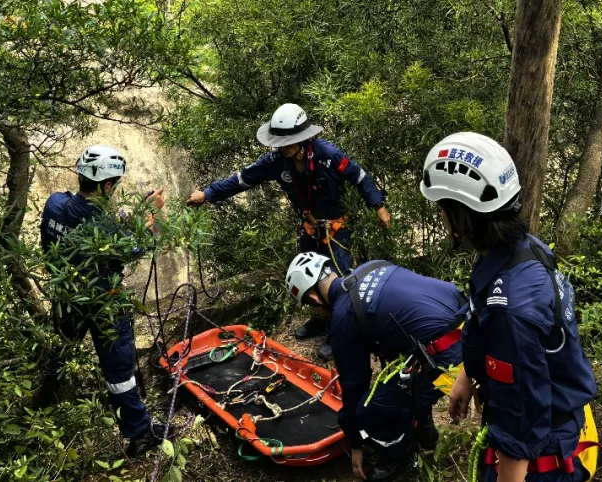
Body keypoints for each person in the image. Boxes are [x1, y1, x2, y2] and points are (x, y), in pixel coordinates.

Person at [419, 132, 602, 482]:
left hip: (539, 458)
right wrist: (468, 375)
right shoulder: (522, 250)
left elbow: (520, 415)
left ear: (459, 217)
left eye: (442, 210)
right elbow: (487, 327)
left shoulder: (511, 309)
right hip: (551, 428)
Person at [188, 103, 389, 353]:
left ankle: (341, 332)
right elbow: (243, 179)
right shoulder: (277, 161)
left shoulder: (328, 155)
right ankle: (322, 319)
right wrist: (208, 194)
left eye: (287, 143)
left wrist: (378, 205)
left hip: (338, 230)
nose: (282, 147)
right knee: (311, 277)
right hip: (310, 228)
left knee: (339, 280)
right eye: (279, 143)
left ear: (303, 139)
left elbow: (359, 176)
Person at [285, 252, 465, 482]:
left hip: (451, 354)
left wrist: (355, 443)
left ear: (314, 298)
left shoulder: (343, 318)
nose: (317, 313)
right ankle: (422, 424)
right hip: (469, 323)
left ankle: (397, 457)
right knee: (402, 381)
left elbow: (354, 387)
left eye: (312, 307)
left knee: (370, 411)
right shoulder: (371, 267)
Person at [38, 144, 164, 457]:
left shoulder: (54, 203)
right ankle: (140, 433)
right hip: (104, 305)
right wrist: (151, 215)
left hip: (67, 297)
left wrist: (128, 217)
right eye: (114, 185)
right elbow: (135, 246)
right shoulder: (104, 227)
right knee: (119, 371)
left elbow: (93, 229)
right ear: (107, 186)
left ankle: (42, 405)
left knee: (61, 350)